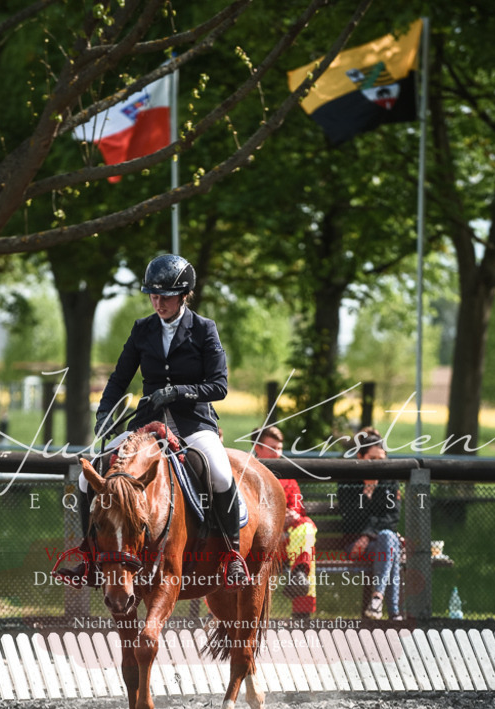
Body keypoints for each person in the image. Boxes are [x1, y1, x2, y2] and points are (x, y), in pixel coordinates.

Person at [55, 254, 250, 588]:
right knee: (91, 478)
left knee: (218, 470)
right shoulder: (142, 329)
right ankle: (88, 557)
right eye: (153, 296)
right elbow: (119, 378)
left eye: (166, 296)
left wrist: (176, 392)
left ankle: (232, 554)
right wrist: (104, 412)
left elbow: (218, 386)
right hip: (146, 427)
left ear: (183, 294)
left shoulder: (204, 330)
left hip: (193, 425)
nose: (158, 302)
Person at [337, 427, 402, 621]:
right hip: (354, 545)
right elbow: (351, 519)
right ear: (360, 456)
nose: (377, 465)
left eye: (381, 460)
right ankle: (394, 613)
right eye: (372, 459)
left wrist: (368, 534)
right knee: (392, 547)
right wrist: (367, 492)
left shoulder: (390, 480)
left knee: (388, 539)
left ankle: (377, 599)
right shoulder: (348, 481)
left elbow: (393, 517)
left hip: (377, 543)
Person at [253, 425, 317, 620]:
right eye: (272, 448)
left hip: (288, 542)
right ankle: (300, 572)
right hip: (260, 541)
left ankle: (299, 580)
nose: (277, 453)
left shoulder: (286, 474)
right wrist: (279, 518)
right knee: (306, 555)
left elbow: (296, 505)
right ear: (258, 448)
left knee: (306, 526)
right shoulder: (249, 473)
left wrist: (293, 515)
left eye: (279, 448)